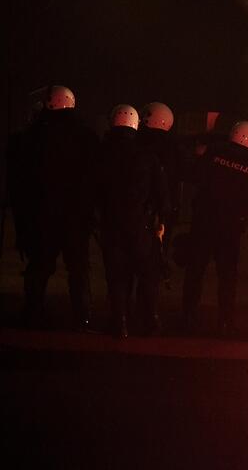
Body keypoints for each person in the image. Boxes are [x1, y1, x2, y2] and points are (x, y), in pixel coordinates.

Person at [15, 86, 99, 330]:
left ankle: (32, 312)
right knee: (78, 268)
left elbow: (22, 181)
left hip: (42, 216)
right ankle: (82, 316)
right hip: (76, 217)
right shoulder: (86, 136)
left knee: (39, 267)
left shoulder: (32, 136)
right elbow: (94, 179)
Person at [96, 105, 170, 338]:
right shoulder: (146, 155)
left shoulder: (100, 153)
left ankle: (120, 323)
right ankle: (151, 321)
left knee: (117, 275)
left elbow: (90, 190)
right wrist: (161, 220)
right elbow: (162, 195)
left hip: (111, 225)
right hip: (141, 225)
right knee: (147, 273)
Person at [182, 120, 248, 336]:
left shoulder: (214, 152)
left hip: (204, 222)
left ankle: (187, 317)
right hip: (231, 228)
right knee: (227, 276)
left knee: (195, 271)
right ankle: (225, 320)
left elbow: (195, 176)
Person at [137, 102, 182, 288]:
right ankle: (149, 305)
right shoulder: (174, 148)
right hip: (164, 210)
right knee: (156, 256)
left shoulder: (138, 142)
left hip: (139, 207)